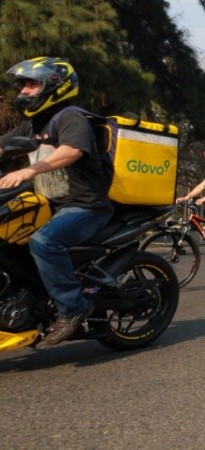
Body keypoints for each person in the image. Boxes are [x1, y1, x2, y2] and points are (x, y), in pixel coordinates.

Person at [0, 57, 114, 345]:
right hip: (50, 202)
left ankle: (73, 309)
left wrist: (30, 170)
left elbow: (71, 151)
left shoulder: (71, 117)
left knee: (44, 242)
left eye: (31, 84)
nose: (24, 91)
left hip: (85, 206)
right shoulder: (34, 123)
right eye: (23, 84)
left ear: (55, 86)